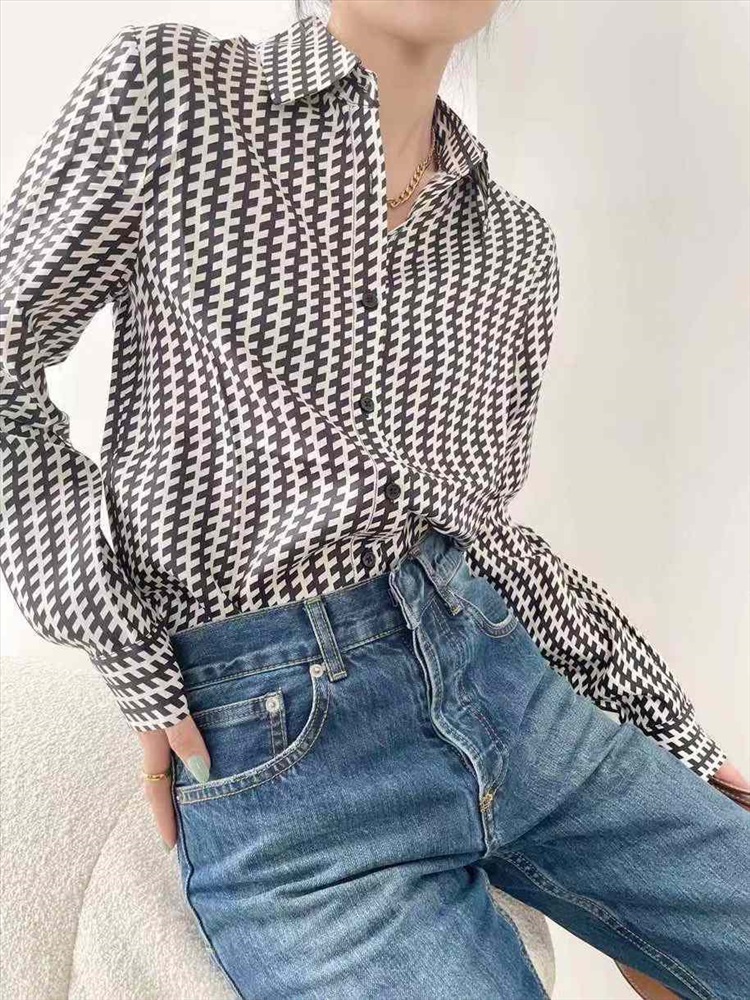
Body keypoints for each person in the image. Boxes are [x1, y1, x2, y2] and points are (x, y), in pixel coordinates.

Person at [1, 1, 748, 997]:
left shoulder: (513, 246)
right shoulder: (174, 94)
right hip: (292, 771)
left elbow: (487, 540)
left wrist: (669, 730)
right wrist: (122, 638)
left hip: (508, 687)